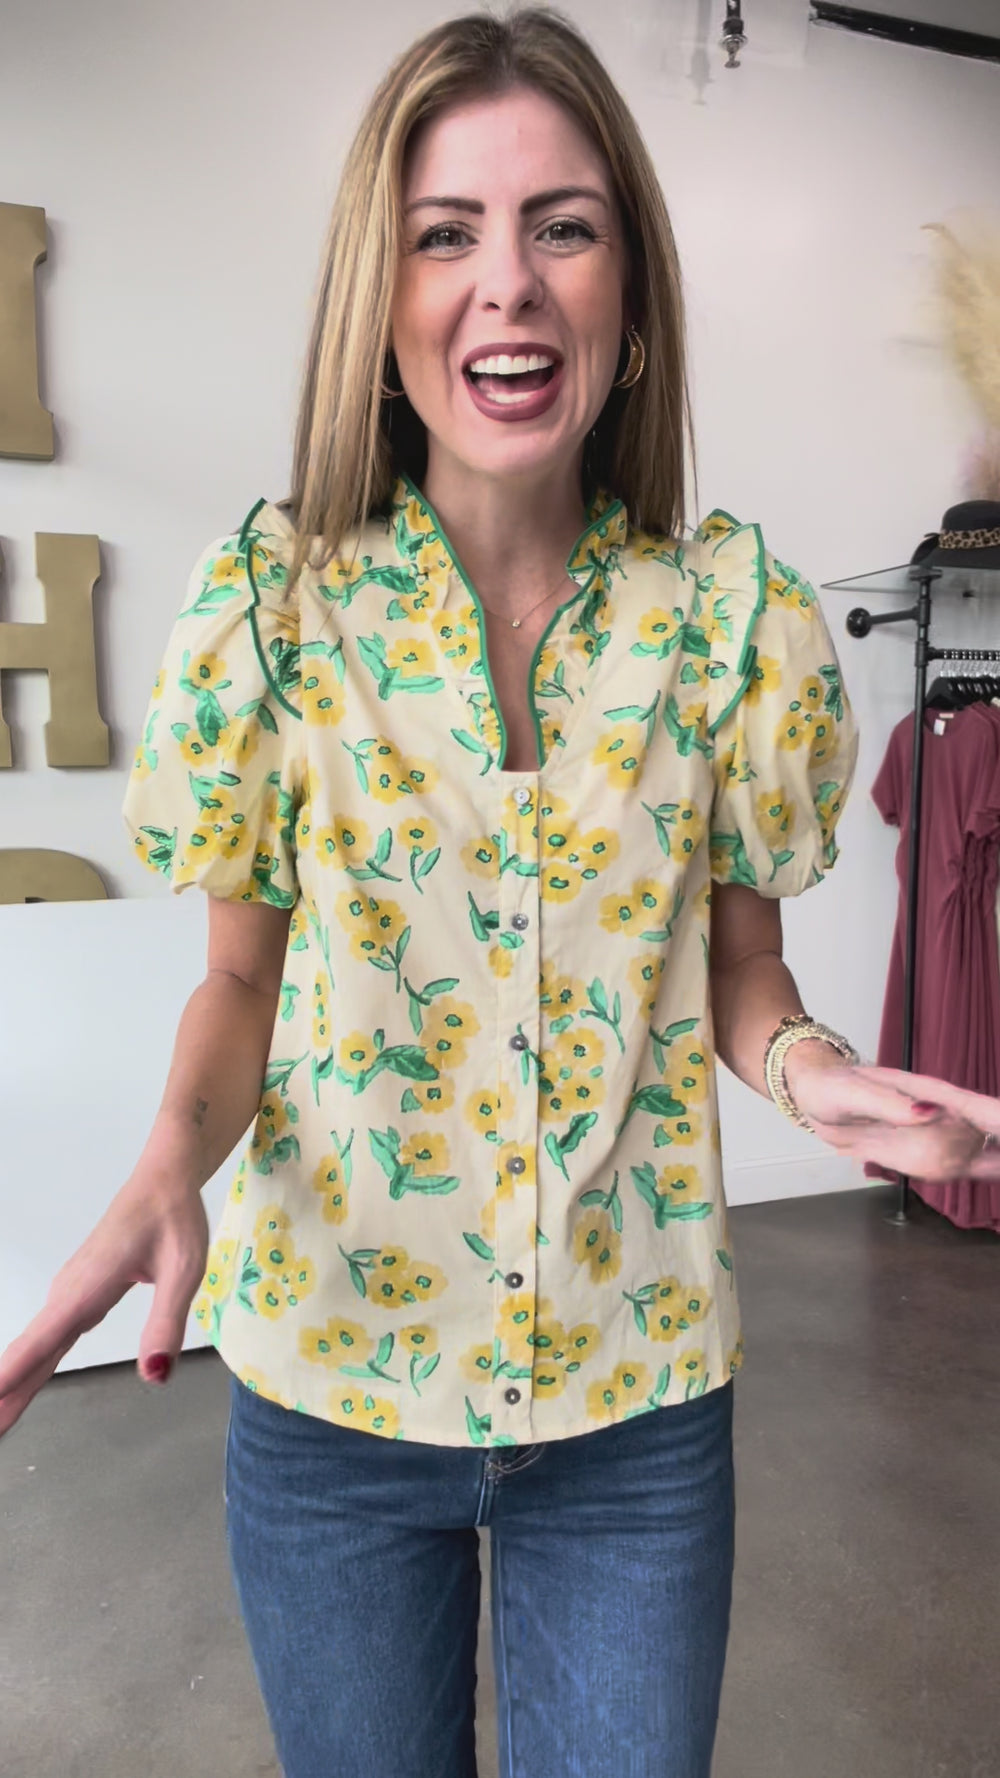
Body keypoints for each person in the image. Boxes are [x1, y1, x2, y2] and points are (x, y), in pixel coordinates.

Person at [0, 11, 991, 1777]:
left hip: (637, 1403)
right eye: (446, 231)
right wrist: (167, 1161)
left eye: (564, 226)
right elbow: (240, 984)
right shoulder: (274, 610)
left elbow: (741, 968)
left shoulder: (731, 622)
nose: (508, 282)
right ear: (381, 298)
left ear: (631, 289)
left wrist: (811, 1069)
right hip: (333, 1397)